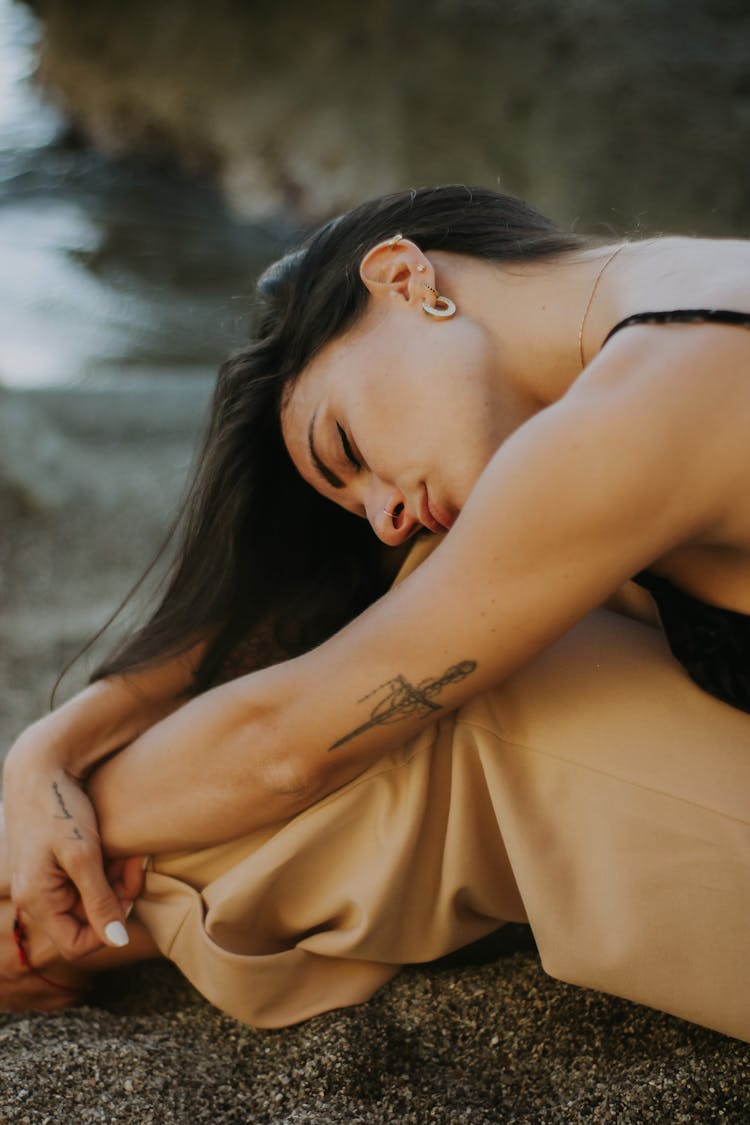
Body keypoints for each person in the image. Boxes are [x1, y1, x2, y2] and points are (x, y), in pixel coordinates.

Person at [2, 186, 749, 1037]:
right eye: (356, 499)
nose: (385, 513)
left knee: (466, 715)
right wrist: (45, 752)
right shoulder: (665, 300)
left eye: (345, 450)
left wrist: (45, 846)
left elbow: (280, 749)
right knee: (435, 600)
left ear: (402, 276)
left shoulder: (638, 412)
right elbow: (319, 609)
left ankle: (45, 925)